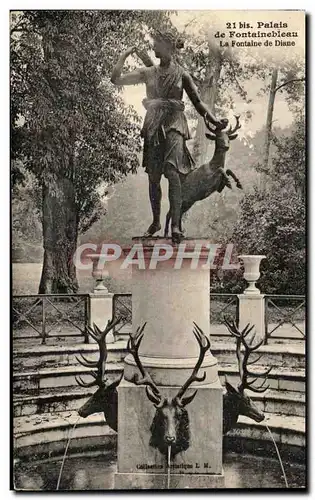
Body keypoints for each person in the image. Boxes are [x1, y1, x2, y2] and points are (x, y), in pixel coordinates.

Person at [111, 30, 224, 243]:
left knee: (173, 172)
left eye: (157, 46)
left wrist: (214, 120)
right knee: (154, 177)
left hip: (175, 124)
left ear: (169, 48)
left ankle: (176, 224)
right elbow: (116, 79)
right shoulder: (148, 72)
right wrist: (123, 56)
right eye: (153, 46)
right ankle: (155, 222)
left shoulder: (182, 74)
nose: (154, 49)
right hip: (154, 125)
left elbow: (198, 103)